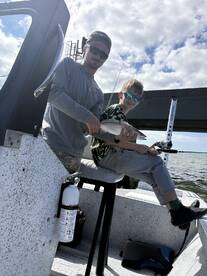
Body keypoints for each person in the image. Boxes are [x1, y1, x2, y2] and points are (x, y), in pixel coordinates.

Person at [92, 78, 207, 228]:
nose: (132, 101)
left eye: (136, 99)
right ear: (121, 94)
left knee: (154, 177)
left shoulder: (122, 118)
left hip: (110, 157)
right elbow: (109, 140)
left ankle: (176, 213)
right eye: (129, 96)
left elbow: (123, 144)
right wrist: (140, 148)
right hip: (106, 156)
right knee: (157, 163)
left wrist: (145, 149)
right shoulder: (116, 110)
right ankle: (178, 210)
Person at [42, 31, 113, 173]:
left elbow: (91, 127)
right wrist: (88, 117)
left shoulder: (99, 94)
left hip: (74, 157)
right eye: (94, 50)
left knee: (63, 195)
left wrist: (118, 135)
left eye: (103, 55)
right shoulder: (67, 65)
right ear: (85, 47)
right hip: (49, 147)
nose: (98, 56)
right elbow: (53, 93)